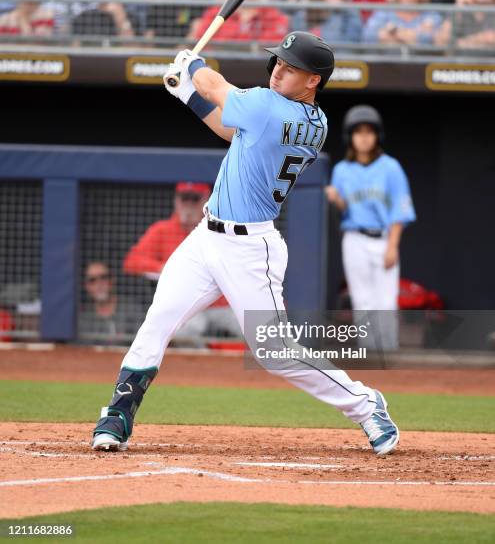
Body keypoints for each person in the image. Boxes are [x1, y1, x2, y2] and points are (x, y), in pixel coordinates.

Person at [91, 30, 401, 459]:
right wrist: (187, 94)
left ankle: (368, 405)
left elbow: (215, 86)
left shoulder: (269, 107)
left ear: (313, 80)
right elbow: (231, 131)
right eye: (278, 62)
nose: (278, 71)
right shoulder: (314, 122)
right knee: (158, 320)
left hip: (252, 249)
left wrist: (189, 64)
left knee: (274, 352)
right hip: (205, 239)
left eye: (291, 68)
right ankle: (118, 413)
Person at [326, 105, 416, 350]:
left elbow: (400, 209)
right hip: (354, 238)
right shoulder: (342, 170)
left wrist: (393, 246)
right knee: (362, 300)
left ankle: (388, 350)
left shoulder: (390, 167)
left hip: (383, 238)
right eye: (358, 132)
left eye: (369, 131)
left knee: (385, 302)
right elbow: (343, 210)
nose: (364, 136)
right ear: (350, 136)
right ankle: (369, 353)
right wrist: (336, 199)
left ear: (377, 135)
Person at [123, 182, 242, 339]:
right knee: (186, 331)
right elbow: (132, 262)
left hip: (222, 304)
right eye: (184, 198)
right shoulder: (162, 230)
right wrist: (163, 267)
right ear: (176, 201)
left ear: (207, 201)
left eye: (195, 199)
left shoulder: (222, 230)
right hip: (186, 307)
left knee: (259, 327)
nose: (189, 204)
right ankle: (199, 362)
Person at [79, 261, 145, 345]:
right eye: (92, 280)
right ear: (87, 286)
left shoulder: (132, 309)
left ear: (112, 279)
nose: (99, 283)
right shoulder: (85, 319)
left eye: (103, 277)